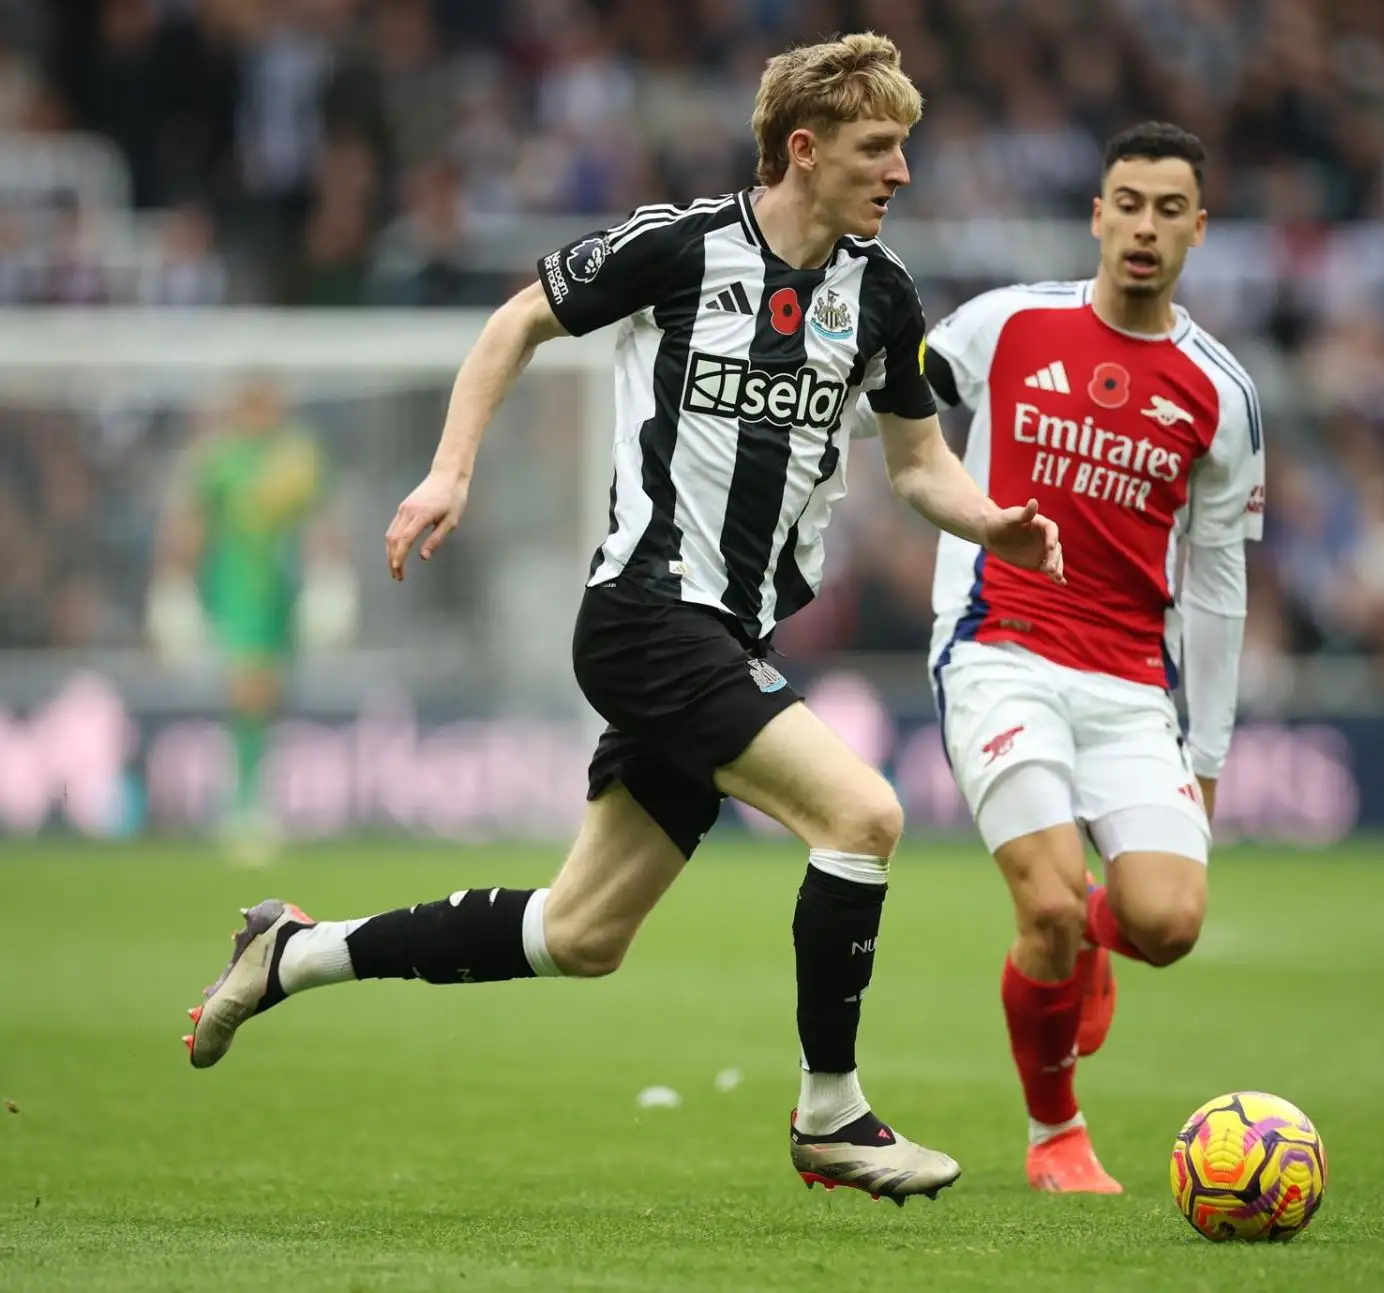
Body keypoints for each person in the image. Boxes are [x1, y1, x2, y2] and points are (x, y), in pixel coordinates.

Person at [182, 33, 1063, 1203]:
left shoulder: (883, 295)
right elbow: (513, 326)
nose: (901, 172)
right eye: (877, 148)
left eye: (903, 148)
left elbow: (917, 467)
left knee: (579, 935)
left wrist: (989, 519)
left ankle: (292, 951)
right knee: (863, 813)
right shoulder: (680, 246)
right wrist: (449, 472)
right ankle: (832, 1115)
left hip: (728, 638)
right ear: (803, 150)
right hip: (648, 613)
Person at [921, 121, 1261, 1192]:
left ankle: (1090, 946)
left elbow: (1215, 583)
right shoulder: (1007, 323)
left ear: (1200, 230)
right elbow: (897, 400)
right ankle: (1053, 1134)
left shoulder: (1223, 394)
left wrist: (1206, 755)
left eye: (1169, 210)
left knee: (1164, 923)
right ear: (1097, 213)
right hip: (997, 646)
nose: (1144, 228)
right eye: (1127, 203)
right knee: (1052, 907)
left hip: (1128, 683)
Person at [148, 376, 352, 865]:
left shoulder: (297, 459)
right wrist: (173, 586)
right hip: (236, 589)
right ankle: (244, 810)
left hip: (282, 590)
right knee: (249, 691)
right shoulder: (218, 460)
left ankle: (253, 801)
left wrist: (332, 579)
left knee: (266, 699)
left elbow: (322, 520)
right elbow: (189, 522)